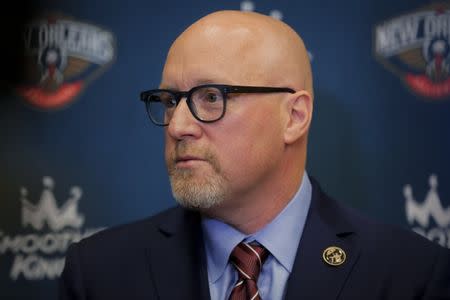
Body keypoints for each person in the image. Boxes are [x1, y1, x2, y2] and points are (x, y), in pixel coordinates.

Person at [59, 10, 450, 300]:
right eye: (169, 100)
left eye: (211, 97)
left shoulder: (411, 275)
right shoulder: (98, 273)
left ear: (294, 117)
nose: (178, 126)